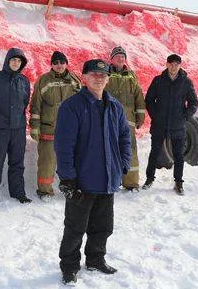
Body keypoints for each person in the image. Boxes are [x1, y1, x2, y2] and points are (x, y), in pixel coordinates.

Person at [54, 59, 131, 284]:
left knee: (103, 225)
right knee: (75, 227)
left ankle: (96, 258)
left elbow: (125, 138)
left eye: (103, 74)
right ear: (84, 77)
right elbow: (64, 144)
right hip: (82, 180)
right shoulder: (73, 106)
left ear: (108, 78)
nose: (98, 78)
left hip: (108, 178)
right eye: (94, 74)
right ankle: (69, 266)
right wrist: (68, 177)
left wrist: (123, 164)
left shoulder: (114, 106)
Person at [0, 47, 33, 207]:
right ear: (7, 61)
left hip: (18, 129)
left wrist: (17, 119)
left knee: (17, 162)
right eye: (13, 60)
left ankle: (18, 193)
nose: (16, 63)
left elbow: (25, 102)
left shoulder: (24, 81)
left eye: (19, 61)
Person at [142, 54, 198, 195]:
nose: (174, 66)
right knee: (154, 153)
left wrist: (184, 116)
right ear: (167, 64)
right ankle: (149, 179)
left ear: (180, 65)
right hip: (159, 125)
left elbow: (193, 102)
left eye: (176, 64)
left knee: (178, 155)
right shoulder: (158, 81)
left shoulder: (186, 82)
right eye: (171, 64)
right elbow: (149, 100)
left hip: (177, 126)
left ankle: (178, 182)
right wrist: (155, 116)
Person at [29, 50, 81, 201]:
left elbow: (82, 104)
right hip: (49, 128)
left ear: (66, 63)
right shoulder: (43, 80)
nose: (59, 65)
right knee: (47, 162)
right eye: (56, 62)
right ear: (51, 64)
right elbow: (35, 105)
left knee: (70, 161)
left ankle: (69, 188)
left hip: (70, 130)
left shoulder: (75, 80)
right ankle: (45, 191)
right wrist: (34, 126)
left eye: (62, 62)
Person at [105, 46, 146, 192]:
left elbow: (138, 97)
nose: (121, 59)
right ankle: (111, 182)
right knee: (109, 150)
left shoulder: (131, 76)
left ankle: (131, 183)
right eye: (118, 56)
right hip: (108, 121)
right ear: (112, 59)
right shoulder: (105, 74)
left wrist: (140, 116)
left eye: (123, 56)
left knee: (130, 150)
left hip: (127, 121)